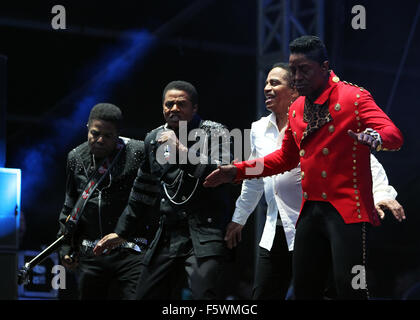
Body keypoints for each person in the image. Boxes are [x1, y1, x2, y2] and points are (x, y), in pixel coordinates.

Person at [204, 35, 404, 299]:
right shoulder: (297, 108)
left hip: (346, 210)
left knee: (348, 286)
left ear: (324, 67)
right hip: (309, 211)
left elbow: (394, 134)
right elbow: (284, 159)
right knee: (304, 290)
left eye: (304, 69)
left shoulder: (353, 97)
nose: (297, 76)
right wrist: (237, 171)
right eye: (294, 69)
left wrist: (376, 139)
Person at [94, 80, 233, 299]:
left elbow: (221, 174)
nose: (174, 109)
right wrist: (122, 232)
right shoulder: (153, 139)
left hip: (204, 230)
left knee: (204, 295)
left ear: (194, 108)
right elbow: (142, 191)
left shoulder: (215, 132)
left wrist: (180, 150)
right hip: (168, 233)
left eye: (181, 104)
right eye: (169, 105)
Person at [57, 103, 148, 299]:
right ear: (87, 127)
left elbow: (149, 198)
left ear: (118, 135)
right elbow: (70, 204)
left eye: (107, 136)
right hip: (92, 253)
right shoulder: (75, 157)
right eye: (95, 133)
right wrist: (66, 248)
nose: (99, 140)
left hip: (132, 250)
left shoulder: (138, 152)